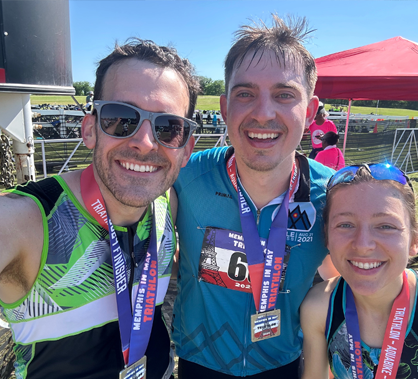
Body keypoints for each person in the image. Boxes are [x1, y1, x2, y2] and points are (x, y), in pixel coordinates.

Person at [0, 38, 199, 379]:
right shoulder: (26, 222)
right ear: (89, 129)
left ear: (186, 149)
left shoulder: (166, 207)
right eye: (120, 118)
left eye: (168, 128)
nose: (144, 142)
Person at [172, 15, 338, 379]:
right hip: (200, 363)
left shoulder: (335, 193)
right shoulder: (183, 176)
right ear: (224, 107)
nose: (263, 113)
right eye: (245, 93)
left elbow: (345, 279)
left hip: (282, 363)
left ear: (310, 112)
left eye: (284, 95)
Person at [300, 164, 418, 379]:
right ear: (326, 238)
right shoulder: (320, 307)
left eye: (386, 226)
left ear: (415, 240)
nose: (363, 244)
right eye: (346, 225)